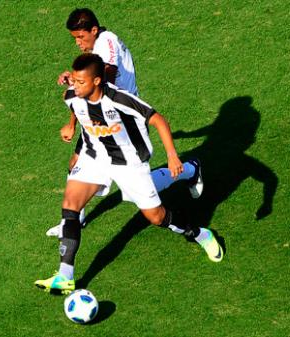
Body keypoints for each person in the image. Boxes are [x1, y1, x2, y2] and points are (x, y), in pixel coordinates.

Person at [35, 54, 223, 295]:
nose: (75, 86)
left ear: (96, 81)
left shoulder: (118, 99)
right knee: (70, 206)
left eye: (81, 82)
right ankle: (65, 276)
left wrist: (173, 155)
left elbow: (158, 120)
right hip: (95, 158)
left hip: (129, 163)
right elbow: (74, 104)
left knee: (156, 217)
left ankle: (199, 233)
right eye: (75, 81)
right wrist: (71, 125)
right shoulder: (73, 94)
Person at [51, 8, 198, 229]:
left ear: (93, 30)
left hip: (125, 121)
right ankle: (72, 220)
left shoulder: (107, 41)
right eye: (75, 39)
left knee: (136, 190)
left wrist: (75, 81)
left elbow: (105, 77)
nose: (78, 43)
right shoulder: (93, 54)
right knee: (76, 163)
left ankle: (189, 169)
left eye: (81, 37)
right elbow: (85, 92)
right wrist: (72, 115)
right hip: (99, 116)